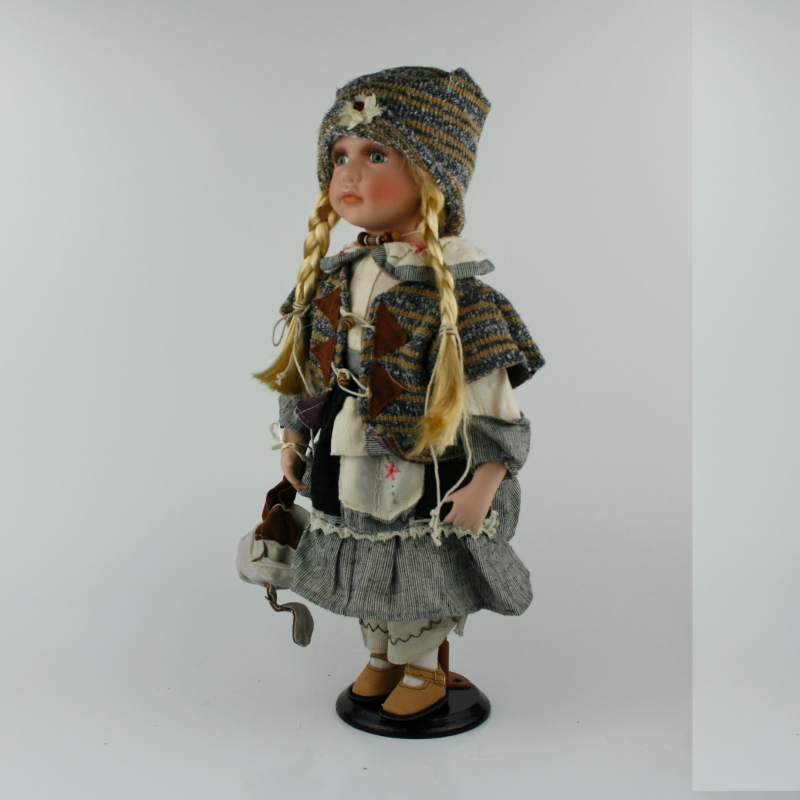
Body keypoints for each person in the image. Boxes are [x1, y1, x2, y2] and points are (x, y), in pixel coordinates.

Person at [256, 66, 544, 721]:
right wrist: (294, 435)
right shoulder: (332, 280)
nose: (350, 174)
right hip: (344, 453)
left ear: (432, 177)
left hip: (425, 461)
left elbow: (493, 399)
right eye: (340, 156)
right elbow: (307, 369)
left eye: (376, 155)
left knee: (419, 562)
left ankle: (422, 666)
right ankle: (381, 656)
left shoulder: (460, 296)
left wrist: (486, 481)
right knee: (360, 553)